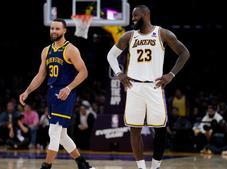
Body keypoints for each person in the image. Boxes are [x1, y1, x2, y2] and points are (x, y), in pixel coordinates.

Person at [107, 5, 190, 169]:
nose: (133, 19)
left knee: (160, 129)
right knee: (135, 130)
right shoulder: (129, 36)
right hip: (134, 87)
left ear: (146, 14)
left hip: (154, 86)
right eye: (132, 16)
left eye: (136, 16)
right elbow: (111, 55)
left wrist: (171, 74)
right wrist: (119, 73)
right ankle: (141, 167)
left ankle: (155, 166)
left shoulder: (162, 33)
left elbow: (184, 53)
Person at [19, 18, 94, 169]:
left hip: (65, 93)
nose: (54, 31)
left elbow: (84, 72)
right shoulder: (46, 50)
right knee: (61, 135)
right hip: (52, 93)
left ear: (64, 31)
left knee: (53, 131)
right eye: (52, 28)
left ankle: (46, 166)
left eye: (57, 29)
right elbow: (41, 75)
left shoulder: (70, 49)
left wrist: (69, 88)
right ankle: (82, 164)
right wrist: (27, 91)